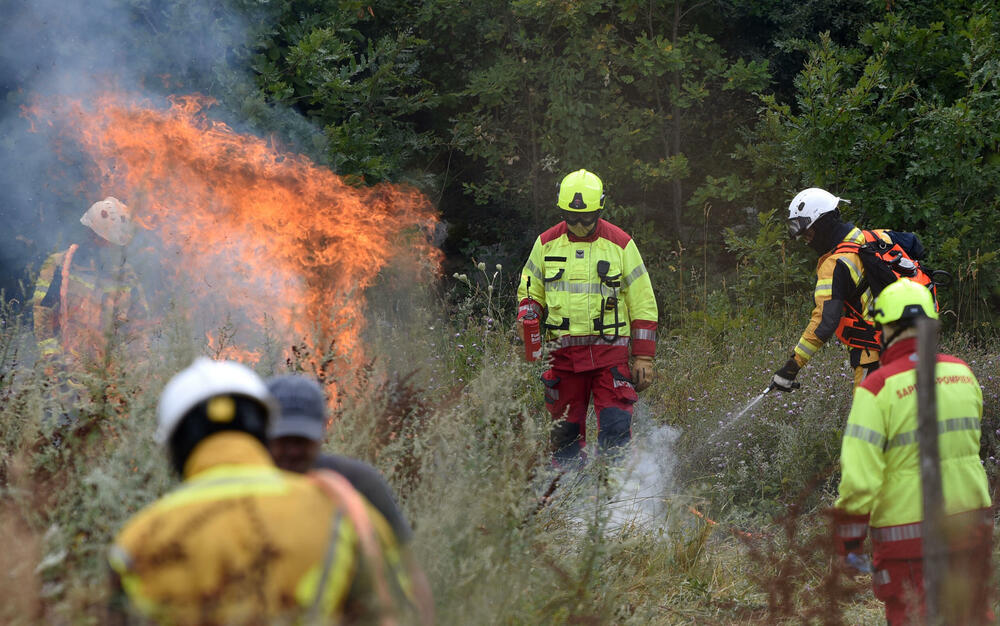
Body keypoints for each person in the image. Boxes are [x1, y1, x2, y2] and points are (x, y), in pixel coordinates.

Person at [107, 358, 415, 625]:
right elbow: (394, 609)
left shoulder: (136, 541)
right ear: (263, 429)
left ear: (174, 446)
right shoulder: (343, 513)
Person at [831, 279, 992, 625]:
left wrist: (849, 542)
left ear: (886, 327)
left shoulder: (877, 388)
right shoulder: (963, 374)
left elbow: (859, 482)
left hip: (909, 539)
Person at [517, 169, 658, 466]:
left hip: (610, 354)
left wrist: (644, 357)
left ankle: (615, 499)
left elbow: (643, 302)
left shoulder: (620, 244)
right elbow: (530, 290)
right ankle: (570, 502)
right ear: (562, 211)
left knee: (616, 427)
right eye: (572, 218)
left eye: (586, 218)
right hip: (563, 357)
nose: (579, 225)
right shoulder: (546, 244)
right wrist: (529, 310)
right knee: (564, 433)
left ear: (600, 208)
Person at [773, 187, 923, 390]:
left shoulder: (835, 264)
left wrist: (792, 365)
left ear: (823, 223)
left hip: (875, 357)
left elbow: (825, 322)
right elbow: (916, 245)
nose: (806, 239)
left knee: (869, 420)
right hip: (915, 346)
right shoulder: (878, 237)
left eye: (808, 232)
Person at [266, 373, 413, 544]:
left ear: (323, 428)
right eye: (283, 440)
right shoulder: (242, 487)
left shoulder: (359, 483)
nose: (292, 452)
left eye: (302, 440)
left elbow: (403, 556)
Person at [32, 197, 148, 371]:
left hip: (107, 377)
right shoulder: (59, 265)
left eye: (117, 245)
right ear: (92, 236)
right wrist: (53, 361)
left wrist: (135, 371)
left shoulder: (127, 275)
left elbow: (140, 327)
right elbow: (42, 314)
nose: (112, 249)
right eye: (107, 242)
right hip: (64, 375)